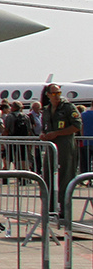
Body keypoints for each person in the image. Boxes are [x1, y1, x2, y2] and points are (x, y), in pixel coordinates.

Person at [41, 83, 80, 218]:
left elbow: (77, 126)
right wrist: (43, 135)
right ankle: (50, 209)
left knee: (64, 178)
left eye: (58, 93)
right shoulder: (46, 110)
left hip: (64, 147)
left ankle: (64, 210)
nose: (57, 96)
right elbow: (45, 128)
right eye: (54, 93)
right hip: (51, 147)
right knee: (48, 177)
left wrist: (58, 133)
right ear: (48, 95)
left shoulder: (68, 107)